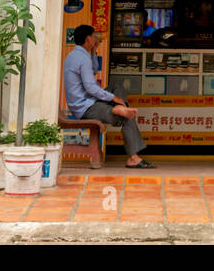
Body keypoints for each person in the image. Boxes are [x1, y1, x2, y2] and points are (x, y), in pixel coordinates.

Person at [63, 24, 154, 169]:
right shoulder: (82, 58)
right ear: (88, 39)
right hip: (85, 107)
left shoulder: (75, 55)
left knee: (117, 87)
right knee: (126, 115)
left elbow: (93, 71)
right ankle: (133, 158)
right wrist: (113, 98)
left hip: (85, 102)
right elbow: (90, 87)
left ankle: (119, 108)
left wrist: (94, 51)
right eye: (94, 36)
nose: (96, 38)